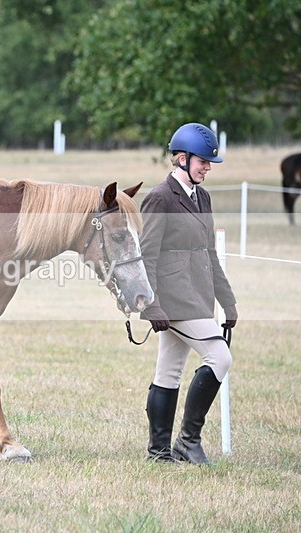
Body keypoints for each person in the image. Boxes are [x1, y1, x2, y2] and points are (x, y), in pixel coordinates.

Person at [139, 123, 237, 464]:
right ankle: (188, 441)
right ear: (182, 159)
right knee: (220, 357)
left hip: (199, 297)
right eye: (203, 162)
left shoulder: (202, 196)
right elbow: (146, 255)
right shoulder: (160, 197)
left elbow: (210, 252)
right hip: (174, 302)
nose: (208, 167)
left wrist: (228, 300)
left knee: (168, 370)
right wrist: (151, 306)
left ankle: (159, 452)